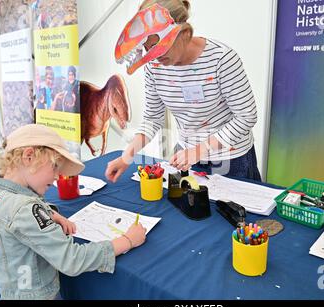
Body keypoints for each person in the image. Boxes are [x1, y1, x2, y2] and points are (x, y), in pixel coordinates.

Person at [106, 0, 261, 183]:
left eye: (159, 46)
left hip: (232, 159)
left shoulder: (222, 59)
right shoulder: (154, 66)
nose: (155, 56)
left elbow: (246, 116)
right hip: (187, 157)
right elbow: (153, 118)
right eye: (148, 48)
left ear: (185, 34)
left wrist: (200, 150)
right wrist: (126, 157)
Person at [0, 124, 146, 300]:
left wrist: (48, 213)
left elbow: (14, 213)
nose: (58, 176)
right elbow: (71, 259)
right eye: (55, 166)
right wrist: (127, 241)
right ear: (29, 156)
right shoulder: (26, 210)